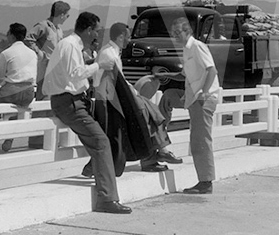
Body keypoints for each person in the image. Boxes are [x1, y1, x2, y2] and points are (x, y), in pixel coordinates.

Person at [42, 12, 131, 214]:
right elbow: (76, 74)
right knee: (101, 141)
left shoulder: (69, 44)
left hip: (71, 100)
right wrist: (99, 65)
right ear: (89, 30)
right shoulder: (72, 46)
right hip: (69, 102)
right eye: (96, 31)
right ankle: (107, 198)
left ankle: (96, 170)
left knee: (100, 138)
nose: (97, 36)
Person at [86, 23, 181, 175]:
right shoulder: (109, 54)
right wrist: (134, 95)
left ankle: (157, 153)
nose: (129, 40)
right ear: (120, 37)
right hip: (112, 101)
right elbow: (116, 83)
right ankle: (157, 153)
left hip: (115, 97)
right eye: (128, 37)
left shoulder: (111, 52)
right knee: (148, 114)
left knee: (150, 113)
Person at [170, 17, 219, 195]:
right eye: (173, 34)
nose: (175, 36)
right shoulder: (186, 49)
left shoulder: (197, 46)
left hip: (203, 100)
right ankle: (203, 180)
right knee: (197, 141)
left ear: (187, 32)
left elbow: (211, 70)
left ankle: (206, 182)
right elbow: (184, 75)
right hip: (194, 100)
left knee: (201, 141)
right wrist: (162, 76)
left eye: (178, 33)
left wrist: (204, 92)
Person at [0, 23, 38, 152]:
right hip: (29, 92)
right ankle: (9, 138)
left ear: (11, 35)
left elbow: (2, 78)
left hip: (12, 90)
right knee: (16, 108)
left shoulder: (6, 53)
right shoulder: (33, 53)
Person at [26, 1, 71, 100]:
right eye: (67, 16)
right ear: (62, 15)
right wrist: (40, 54)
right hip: (45, 68)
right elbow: (29, 39)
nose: (67, 18)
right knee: (43, 95)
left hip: (56, 68)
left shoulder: (59, 30)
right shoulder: (43, 26)